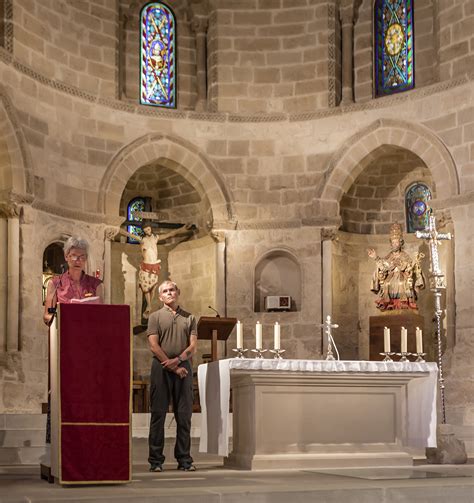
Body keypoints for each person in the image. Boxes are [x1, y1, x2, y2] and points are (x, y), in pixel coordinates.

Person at [147, 280, 198, 472]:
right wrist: (173, 366)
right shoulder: (155, 317)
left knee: (184, 416)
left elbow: (193, 346)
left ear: (178, 292)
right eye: (165, 291)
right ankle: (155, 461)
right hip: (161, 368)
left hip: (183, 367)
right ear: (160, 297)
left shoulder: (190, 317)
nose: (169, 293)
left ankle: (184, 459)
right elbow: (154, 345)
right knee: (158, 414)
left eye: (172, 290)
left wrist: (178, 360)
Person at [120, 222, 194, 319]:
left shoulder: (155, 238)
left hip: (154, 265)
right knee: (146, 288)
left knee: (154, 286)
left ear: (151, 228)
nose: (147, 231)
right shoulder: (142, 240)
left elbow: (170, 235)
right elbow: (130, 234)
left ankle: (149, 305)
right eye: (145, 230)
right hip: (146, 266)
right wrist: (120, 230)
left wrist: (182, 229)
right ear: (144, 231)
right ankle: (149, 305)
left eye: (148, 229)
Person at [43, 236, 103, 325]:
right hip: (64, 331)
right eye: (74, 256)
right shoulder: (55, 283)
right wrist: (60, 317)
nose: (78, 261)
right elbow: (47, 316)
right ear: (66, 256)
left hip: (88, 332)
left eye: (82, 257)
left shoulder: (96, 285)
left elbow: (102, 314)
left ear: (86, 259)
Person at [367, 223, 425, 311]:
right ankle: (389, 304)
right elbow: (384, 266)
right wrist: (376, 257)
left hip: (402, 276)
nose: (394, 244)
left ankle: (404, 304)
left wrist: (409, 267)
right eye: (393, 242)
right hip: (391, 276)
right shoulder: (389, 255)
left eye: (396, 242)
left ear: (400, 243)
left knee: (402, 283)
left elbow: (409, 264)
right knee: (386, 284)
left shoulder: (404, 255)